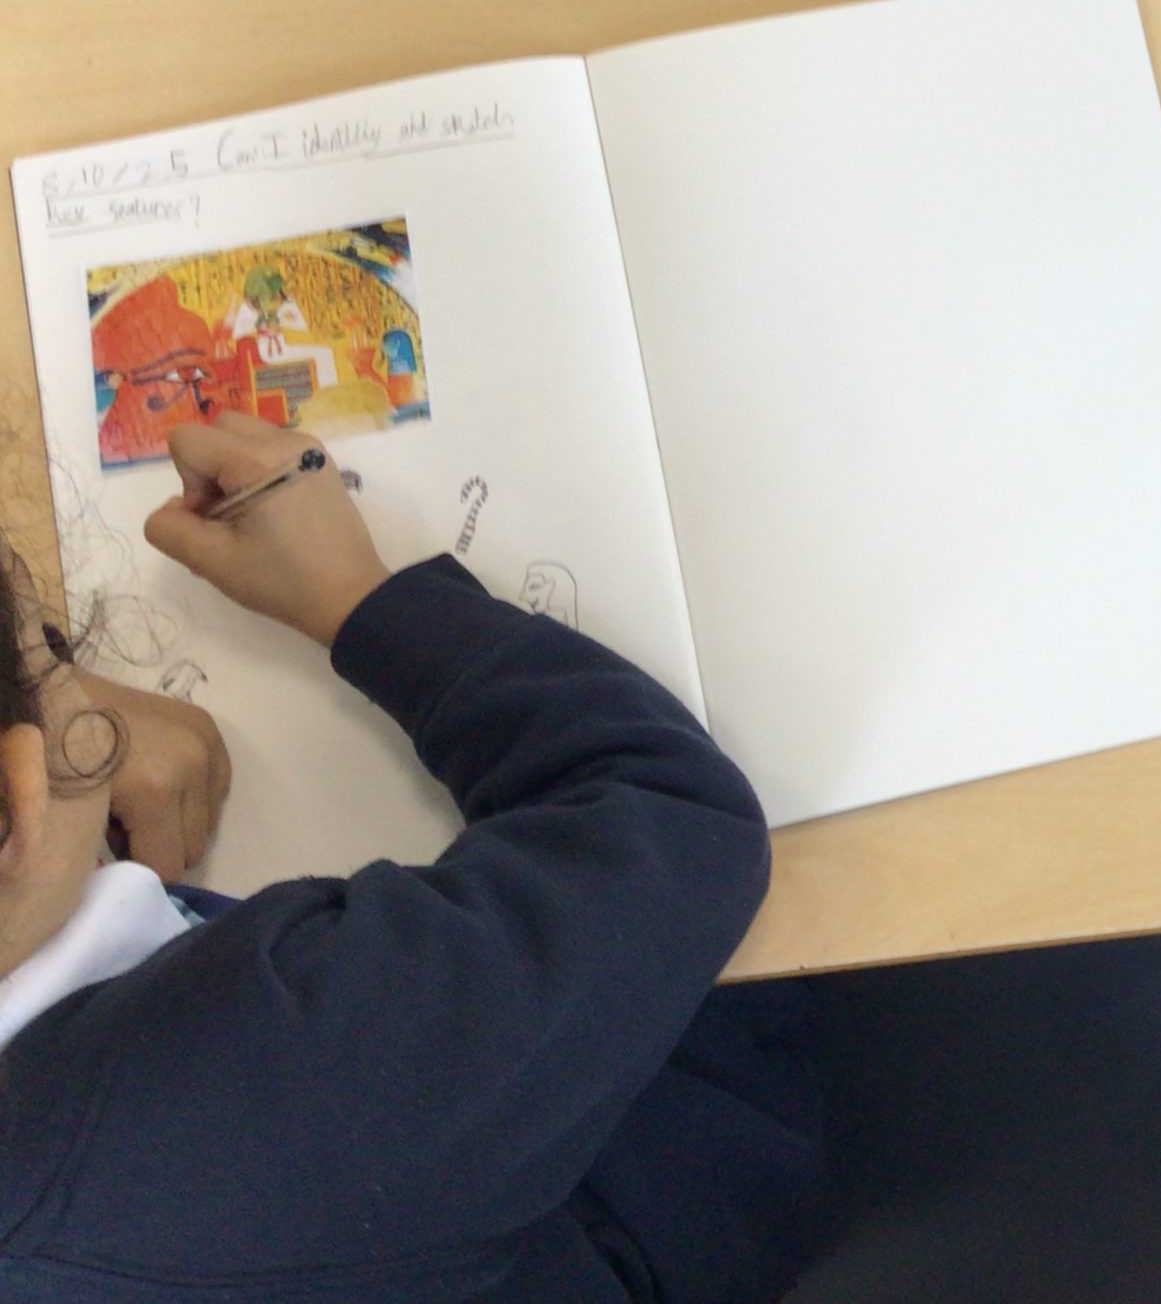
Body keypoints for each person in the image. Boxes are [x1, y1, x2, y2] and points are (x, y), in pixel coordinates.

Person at [0, 412, 837, 1301]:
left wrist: (66, 728)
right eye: (50, 646)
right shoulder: (263, 1075)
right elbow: (671, 818)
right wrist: (361, 600)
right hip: (672, 1166)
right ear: (19, 792)